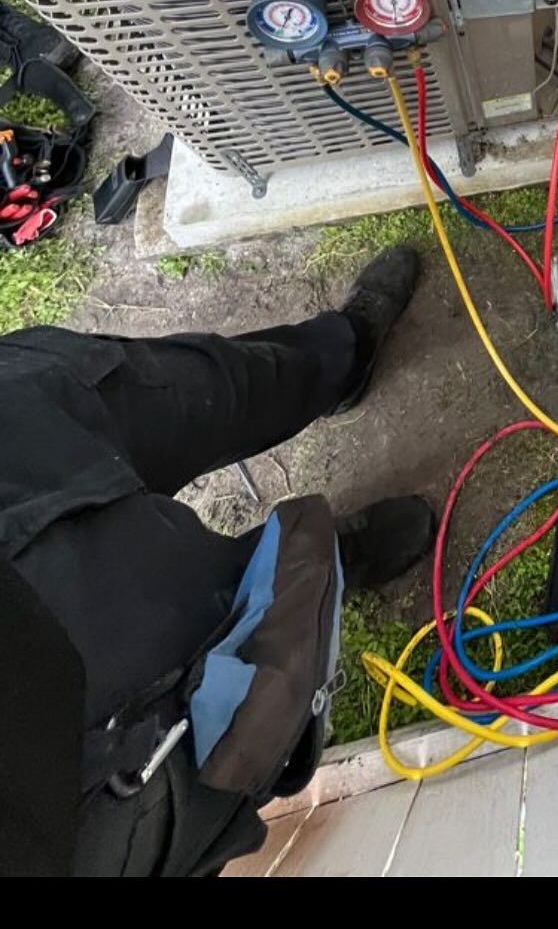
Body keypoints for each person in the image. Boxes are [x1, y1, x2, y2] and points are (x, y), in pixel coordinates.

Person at [0, 244, 431, 878]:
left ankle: (342, 353)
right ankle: (334, 565)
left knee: (210, 388)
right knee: (252, 640)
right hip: (94, 745)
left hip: (20, 426)